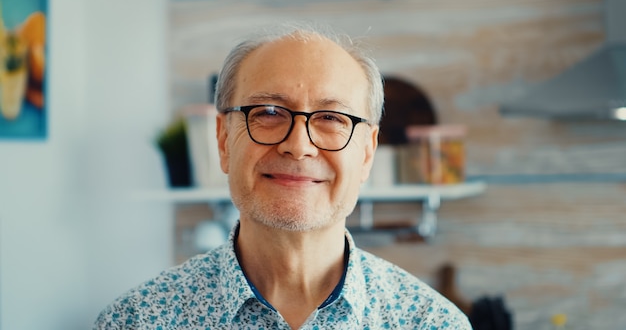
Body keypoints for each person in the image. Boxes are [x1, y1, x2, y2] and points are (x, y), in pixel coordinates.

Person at [94, 22, 472, 329]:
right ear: (224, 140)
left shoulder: (432, 324)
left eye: (330, 118)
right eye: (269, 113)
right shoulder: (136, 321)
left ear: (367, 152)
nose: (298, 145)